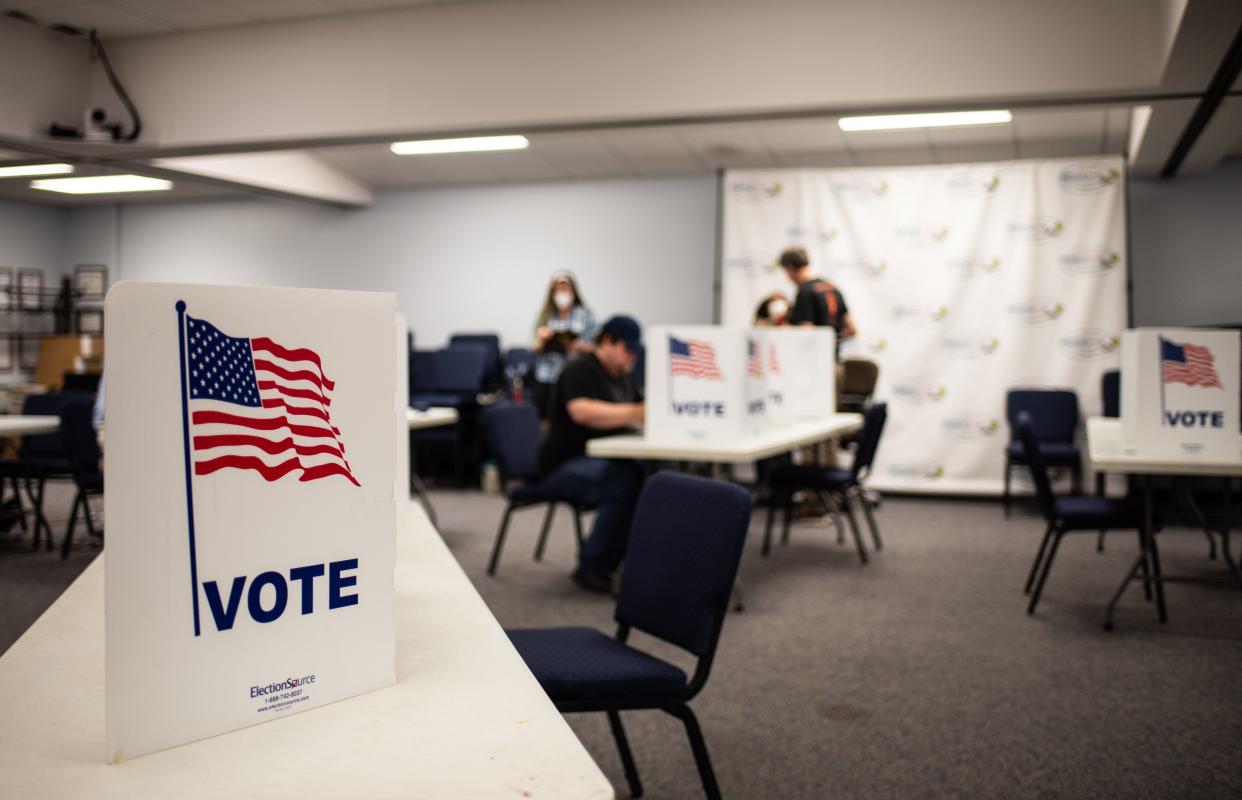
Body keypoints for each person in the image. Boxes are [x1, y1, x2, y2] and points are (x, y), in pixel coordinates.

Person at [537, 315, 645, 593]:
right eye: (627, 349)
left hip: (600, 459)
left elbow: (641, 407)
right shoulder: (579, 369)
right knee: (623, 484)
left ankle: (617, 561)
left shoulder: (623, 378)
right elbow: (581, 411)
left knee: (644, 477)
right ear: (608, 341)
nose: (631, 356)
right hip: (563, 465)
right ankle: (593, 567)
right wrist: (636, 413)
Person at [531, 271, 596, 419]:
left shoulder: (585, 314)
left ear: (573, 290)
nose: (561, 294)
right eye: (557, 290)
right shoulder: (546, 315)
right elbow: (533, 347)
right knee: (544, 418)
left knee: (570, 418)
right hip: (547, 375)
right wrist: (543, 339)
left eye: (565, 289)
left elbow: (597, 347)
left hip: (574, 372)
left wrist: (578, 346)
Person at [779, 246, 857, 347]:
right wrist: (830, 340)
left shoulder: (805, 292)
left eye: (786, 272)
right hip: (832, 358)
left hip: (812, 358)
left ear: (789, 268)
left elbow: (806, 331)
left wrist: (783, 328)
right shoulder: (832, 287)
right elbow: (852, 329)